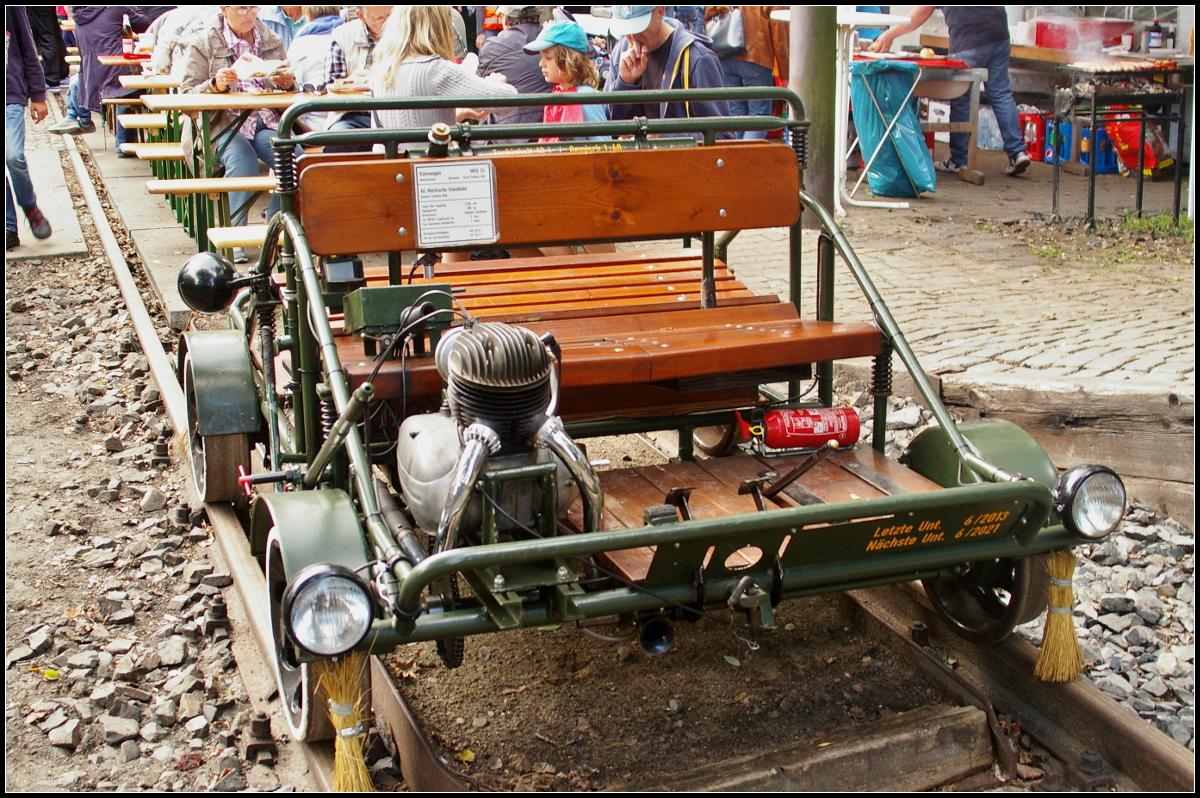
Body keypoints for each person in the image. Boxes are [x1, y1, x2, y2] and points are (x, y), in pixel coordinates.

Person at [179, 5, 296, 262]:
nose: (249, 14)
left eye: (254, 7)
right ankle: (236, 236)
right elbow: (186, 97)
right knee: (242, 160)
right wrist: (214, 86)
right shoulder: (204, 43)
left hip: (263, 121)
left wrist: (288, 83)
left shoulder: (271, 39)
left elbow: (289, 90)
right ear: (224, 9)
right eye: (242, 8)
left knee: (293, 155)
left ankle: (274, 227)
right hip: (221, 124)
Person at [869, 6, 1032, 177]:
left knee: (961, 94)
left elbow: (921, 13)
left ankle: (959, 160)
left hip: (969, 40)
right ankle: (1017, 152)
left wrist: (888, 35)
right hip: (999, 36)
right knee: (1000, 93)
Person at [369, 5, 516, 132]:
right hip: (433, 162)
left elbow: (418, 125)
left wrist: (461, 113)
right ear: (441, 27)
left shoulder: (382, 69)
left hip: (395, 161)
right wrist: (496, 82)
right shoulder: (436, 70)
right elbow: (509, 100)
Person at [605, 5, 731, 139]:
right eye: (626, 29)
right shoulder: (621, 51)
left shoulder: (698, 58)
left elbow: (722, 136)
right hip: (629, 158)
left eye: (639, 27)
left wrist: (664, 136)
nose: (632, 37)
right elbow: (605, 123)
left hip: (676, 159)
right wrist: (625, 83)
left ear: (660, 12)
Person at [57, 7, 163, 151]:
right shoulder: (116, 8)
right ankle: (126, 145)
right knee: (131, 85)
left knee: (80, 81)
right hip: (115, 75)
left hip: (91, 77)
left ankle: (78, 117)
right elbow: (147, 26)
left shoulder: (78, 14)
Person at [6, 7, 54, 252]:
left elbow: (27, 45)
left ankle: (30, 206)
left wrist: (38, 94)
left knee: (13, 156)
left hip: (10, 93)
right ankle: (8, 228)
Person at [704, 6, 788, 139]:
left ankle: (737, 157)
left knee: (735, 115)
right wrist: (786, 71)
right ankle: (746, 157)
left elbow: (709, 14)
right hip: (756, 57)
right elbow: (780, 35)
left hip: (727, 53)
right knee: (759, 115)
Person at [522, 20, 608, 143]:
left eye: (548, 57)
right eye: (541, 57)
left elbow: (604, 146)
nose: (541, 63)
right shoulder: (558, 94)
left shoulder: (585, 98)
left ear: (570, 59)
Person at [476, 5, 552, 139]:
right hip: (551, 130)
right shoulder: (553, 42)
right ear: (538, 17)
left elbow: (478, 93)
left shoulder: (492, 48)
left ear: (505, 20)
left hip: (506, 137)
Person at [323, 5, 391, 151]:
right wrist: (351, 82)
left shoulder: (405, 33)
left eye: (390, 15)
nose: (387, 23)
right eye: (379, 19)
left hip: (394, 113)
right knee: (338, 138)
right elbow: (331, 87)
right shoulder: (342, 36)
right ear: (361, 16)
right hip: (354, 114)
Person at [286, 6, 343, 131]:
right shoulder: (348, 37)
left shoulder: (301, 42)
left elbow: (290, 85)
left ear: (308, 13)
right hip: (348, 121)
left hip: (312, 127)